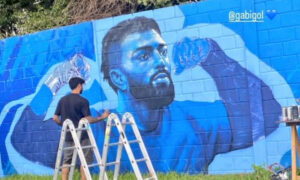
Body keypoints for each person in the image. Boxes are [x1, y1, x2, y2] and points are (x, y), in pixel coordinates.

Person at [99, 16, 281, 173]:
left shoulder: (193, 121)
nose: (161, 62)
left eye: (162, 52)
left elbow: (265, 117)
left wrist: (214, 58)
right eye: (144, 56)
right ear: (118, 78)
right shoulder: (93, 130)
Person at [53, 77, 109, 180]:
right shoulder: (83, 101)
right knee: (85, 162)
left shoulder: (62, 100)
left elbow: (55, 118)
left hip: (68, 135)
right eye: (82, 85)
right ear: (79, 85)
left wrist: (64, 125)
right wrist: (102, 117)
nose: (83, 87)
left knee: (67, 161)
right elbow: (88, 119)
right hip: (83, 136)